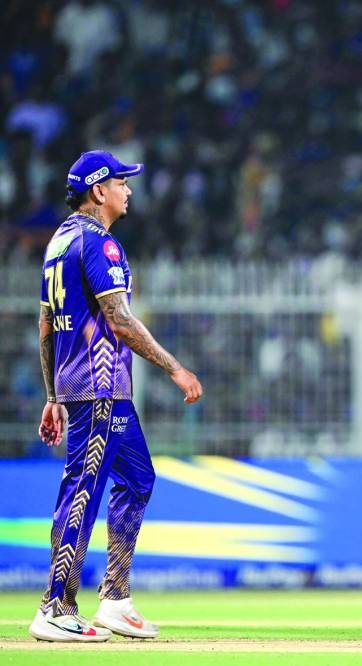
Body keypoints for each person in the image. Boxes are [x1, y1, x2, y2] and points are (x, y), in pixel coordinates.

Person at [29, 150, 202, 642]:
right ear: (99, 190)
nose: (128, 190)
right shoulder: (99, 243)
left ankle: (115, 599)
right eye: (122, 182)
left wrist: (53, 394)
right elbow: (120, 320)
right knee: (82, 490)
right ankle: (56, 606)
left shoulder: (59, 241)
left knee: (138, 479)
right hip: (98, 387)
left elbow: (46, 324)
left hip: (93, 389)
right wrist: (175, 368)